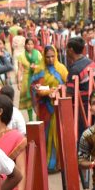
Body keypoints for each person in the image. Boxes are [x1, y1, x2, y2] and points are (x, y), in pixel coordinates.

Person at [29, 45, 69, 173]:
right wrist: (43, 91)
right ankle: (47, 163)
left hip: (59, 106)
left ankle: (59, 163)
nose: (50, 59)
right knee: (45, 135)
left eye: (53, 56)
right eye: (47, 57)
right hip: (45, 107)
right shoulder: (40, 70)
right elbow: (34, 87)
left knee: (58, 134)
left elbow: (68, 86)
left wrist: (59, 90)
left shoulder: (62, 69)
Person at [65, 36, 95, 137]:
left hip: (82, 108)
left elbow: (69, 95)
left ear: (71, 50)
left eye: (67, 49)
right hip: (93, 102)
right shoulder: (91, 62)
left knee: (83, 134)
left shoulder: (75, 69)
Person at [17, 38, 43, 122]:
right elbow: (20, 70)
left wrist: (36, 67)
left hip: (36, 77)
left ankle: (39, 116)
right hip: (26, 78)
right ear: (25, 45)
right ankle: (31, 118)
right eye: (28, 44)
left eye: (31, 44)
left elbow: (42, 65)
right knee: (28, 100)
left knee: (38, 97)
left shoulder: (38, 53)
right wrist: (19, 81)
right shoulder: (21, 56)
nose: (30, 46)